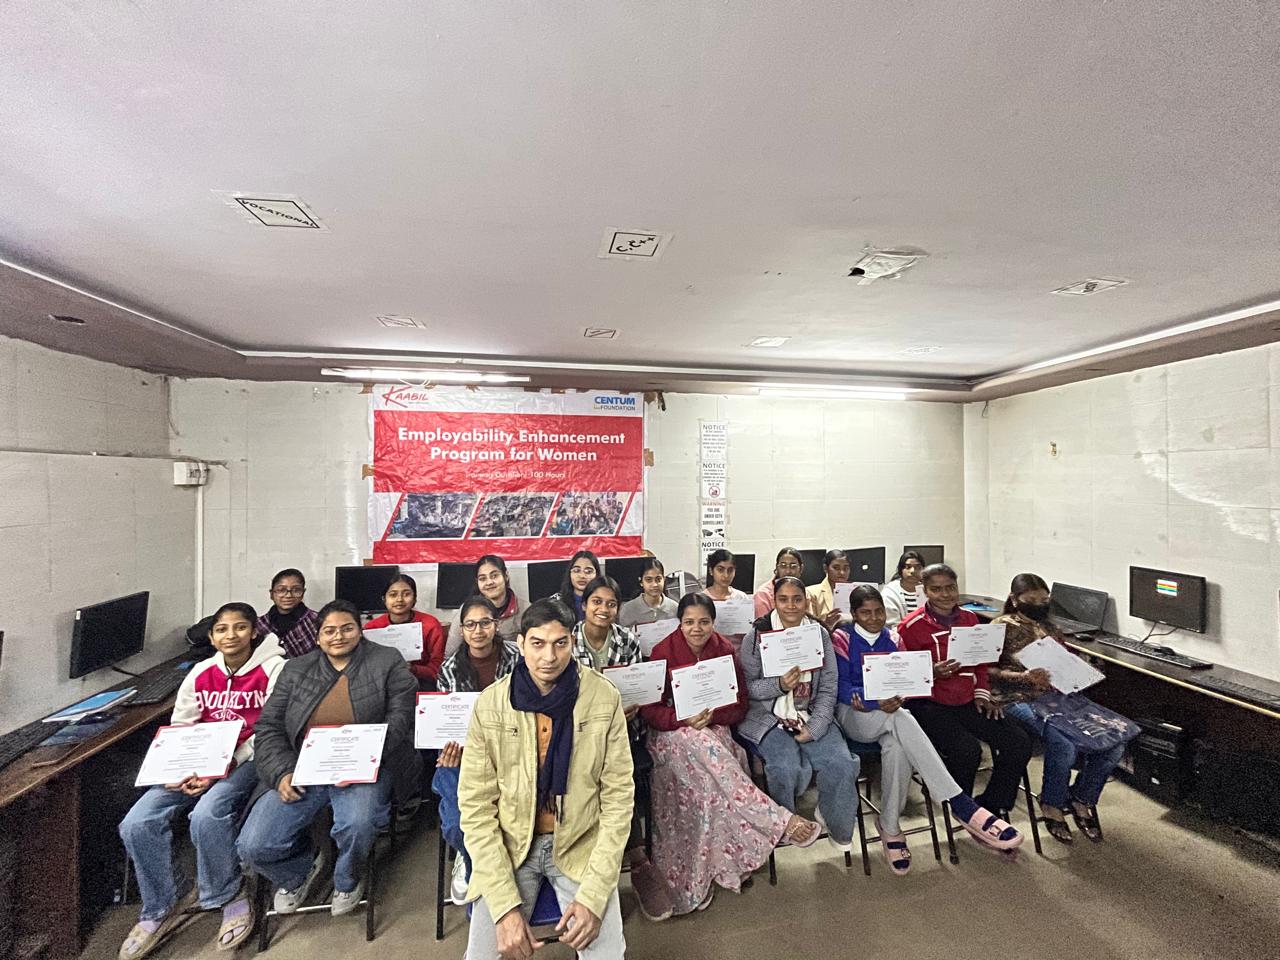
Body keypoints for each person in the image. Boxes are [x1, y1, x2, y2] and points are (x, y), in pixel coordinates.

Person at [459, 599, 634, 960]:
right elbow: (476, 809)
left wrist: (595, 894)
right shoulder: (491, 705)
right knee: (482, 955)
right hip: (511, 847)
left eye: (560, 643)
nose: (549, 656)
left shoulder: (602, 698)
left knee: (607, 954)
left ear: (572, 641)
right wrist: (505, 908)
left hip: (581, 844)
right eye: (537, 643)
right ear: (520, 644)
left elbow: (618, 801)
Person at [117, 603, 285, 959]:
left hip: (245, 760)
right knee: (136, 822)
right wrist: (180, 767)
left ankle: (228, 893)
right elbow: (183, 724)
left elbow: (269, 729)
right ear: (211, 637)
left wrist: (222, 767)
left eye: (240, 628)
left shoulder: (274, 668)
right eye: (222, 630)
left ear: (254, 631)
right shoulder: (200, 673)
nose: (231, 635)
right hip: (194, 762)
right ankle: (160, 904)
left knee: (207, 814)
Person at [237, 599, 420, 916]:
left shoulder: (386, 660)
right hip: (302, 769)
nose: (339, 636)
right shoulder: (295, 670)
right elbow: (268, 727)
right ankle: (299, 873)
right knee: (254, 845)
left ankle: (347, 879)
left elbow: (401, 720)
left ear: (360, 631)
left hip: (365, 769)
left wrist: (362, 760)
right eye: (329, 631)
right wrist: (281, 772)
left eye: (347, 628)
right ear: (318, 636)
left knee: (359, 824)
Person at [640, 595, 819, 915]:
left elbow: (739, 706)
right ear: (679, 623)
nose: (697, 629)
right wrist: (683, 720)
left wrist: (713, 716)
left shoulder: (723, 649)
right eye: (689, 622)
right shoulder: (662, 651)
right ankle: (777, 819)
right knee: (707, 754)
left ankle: (713, 869)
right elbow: (650, 711)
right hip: (672, 733)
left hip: (713, 728)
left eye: (704, 622)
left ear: (713, 622)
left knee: (714, 779)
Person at [833, 585, 1022, 873]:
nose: (873, 618)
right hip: (856, 716)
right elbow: (842, 688)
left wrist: (899, 697)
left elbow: (909, 680)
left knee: (898, 744)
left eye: (878, 611)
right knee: (901, 719)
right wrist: (874, 699)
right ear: (855, 615)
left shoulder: (894, 637)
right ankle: (959, 802)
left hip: (893, 714)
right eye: (865, 613)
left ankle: (890, 826)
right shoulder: (842, 638)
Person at [570, 575, 676, 921]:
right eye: (596, 602)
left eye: (611, 603)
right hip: (577, 735)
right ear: (584, 605)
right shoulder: (567, 643)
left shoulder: (627, 641)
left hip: (621, 732)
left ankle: (639, 862)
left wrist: (634, 707)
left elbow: (640, 688)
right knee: (590, 777)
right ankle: (617, 860)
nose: (603, 609)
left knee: (617, 777)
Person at [991, 573, 1127, 844]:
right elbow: (986, 671)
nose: (1039, 605)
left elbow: (1063, 664)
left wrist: (1080, 672)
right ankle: (1052, 804)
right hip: (1015, 698)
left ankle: (1081, 798)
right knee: (1063, 743)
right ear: (1014, 600)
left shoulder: (1052, 629)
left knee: (1115, 742)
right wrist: (1023, 677)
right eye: (1031, 600)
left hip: (1058, 698)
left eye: (1044, 600)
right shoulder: (1000, 626)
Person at [897, 564, 1033, 822]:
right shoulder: (910, 627)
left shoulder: (970, 619)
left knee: (1018, 741)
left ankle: (992, 805)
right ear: (925, 592)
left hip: (968, 699)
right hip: (929, 704)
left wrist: (983, 694)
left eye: (950, 588)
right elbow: (903, 673)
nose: (945, 594)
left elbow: (981, 663)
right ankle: (962, 807)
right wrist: (931, 671)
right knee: (967, 750)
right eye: (936, 589)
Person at [738, 577, 859, 856]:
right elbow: (747, 687)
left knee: (841, 764)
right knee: (785, 767)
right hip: (768, 717)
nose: (791, 605)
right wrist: (778, 685)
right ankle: (784, 824)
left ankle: (835, 821)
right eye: (783, 599)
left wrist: (816, 727)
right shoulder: (756, 636)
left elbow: (828, 686)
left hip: (811, 712)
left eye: (797, 599)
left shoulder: (820, 634)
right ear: (774, 601)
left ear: (807, 601)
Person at [433, 596, 520, 903]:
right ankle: (467, 857)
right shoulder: (449, 668)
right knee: (458, 823)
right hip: (464, 755)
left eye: (485, 622)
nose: (478, 630)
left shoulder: (518, 658)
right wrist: (446, 747)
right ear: (462, 629)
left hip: (513, 748)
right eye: (470, 624)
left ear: (496, 625)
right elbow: (443, 722)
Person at [363, 573, 445, 689]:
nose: (399, 599)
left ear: (415, 599)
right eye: (393, 595)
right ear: (384, 599)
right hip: (382, 684)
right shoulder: (372, 628)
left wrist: (413, 669)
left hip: (421, 682)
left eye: (406, 594)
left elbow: (438, 667)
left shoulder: (430, 624)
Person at [445, 555, 525, 655]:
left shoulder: (526, 610)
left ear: (506, 576)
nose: (489, 582)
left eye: (494, 576)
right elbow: (450, 653)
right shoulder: (467, 610)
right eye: (483, 579)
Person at [255, 568, 319, 658]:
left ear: (303, 593)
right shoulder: (260, 624)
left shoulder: (316, 621)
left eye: (296, 590)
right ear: (272, 594)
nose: (288, 595)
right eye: (281, 590)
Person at [701, 549, 751, 650]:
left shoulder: (742, 598)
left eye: (730, 570)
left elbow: (748, 634)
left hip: (738, 654)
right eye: (720, 569)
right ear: (711, 571)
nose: (726, 575)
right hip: (712, 654)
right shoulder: (701, 600)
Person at [617, 557, 677, 627]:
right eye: (649, 580)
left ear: (664, 579)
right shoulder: (627, 610)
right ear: (641, 581)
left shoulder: (675, 609)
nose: (654, 584)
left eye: (658, 579)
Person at [806, 549, 852, 631]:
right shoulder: (811, 593)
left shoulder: (856, 591)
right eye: (836, 568)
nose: (842, 572)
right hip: (827, 639)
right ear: (825, 568)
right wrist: (826, 624)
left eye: (846, 568)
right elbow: (809, 629)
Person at [752, 547, 803, 618]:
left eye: (793, 566)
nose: (788, 571)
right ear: (777, 567)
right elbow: (763, 627)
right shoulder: (763, 595)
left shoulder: (805, 593)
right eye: (783, 566)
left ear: (801, 568)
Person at [553, 550, 602, 622]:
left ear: (596, 575)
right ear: (570, 573)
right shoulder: (556, 601)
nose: (582, 576)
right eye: (577, 570)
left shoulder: (603, 601)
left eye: (588, 571)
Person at [881, 550, 925, 629]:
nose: (912, 571)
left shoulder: (928, 590)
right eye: (908, 567)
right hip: (899, 637)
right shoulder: (889, 592)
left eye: (918, 567)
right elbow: (892, 626)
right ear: (901, 570)